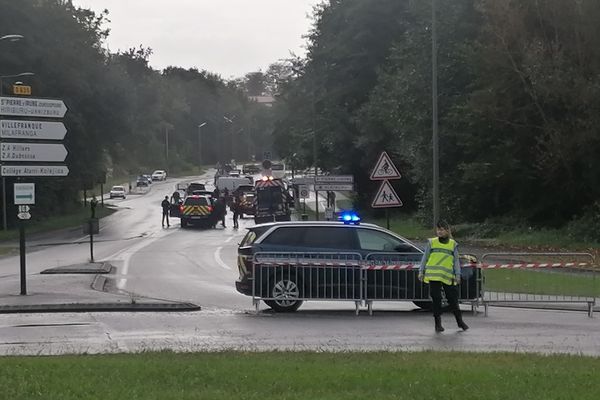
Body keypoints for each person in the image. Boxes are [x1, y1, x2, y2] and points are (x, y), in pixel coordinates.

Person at [418, 220, 469, 333]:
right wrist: (421, 271)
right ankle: (438, 324)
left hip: (447, 276)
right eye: (438, 229)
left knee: (453, 300)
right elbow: (425, 258)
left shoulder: (453, 244)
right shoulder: (432, 242)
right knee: (436, 300)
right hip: (434, 276)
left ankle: (460, 322)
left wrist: (458, 274)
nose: (439, 232)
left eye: (441, 229)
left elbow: (456, 261)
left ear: (447, 230)